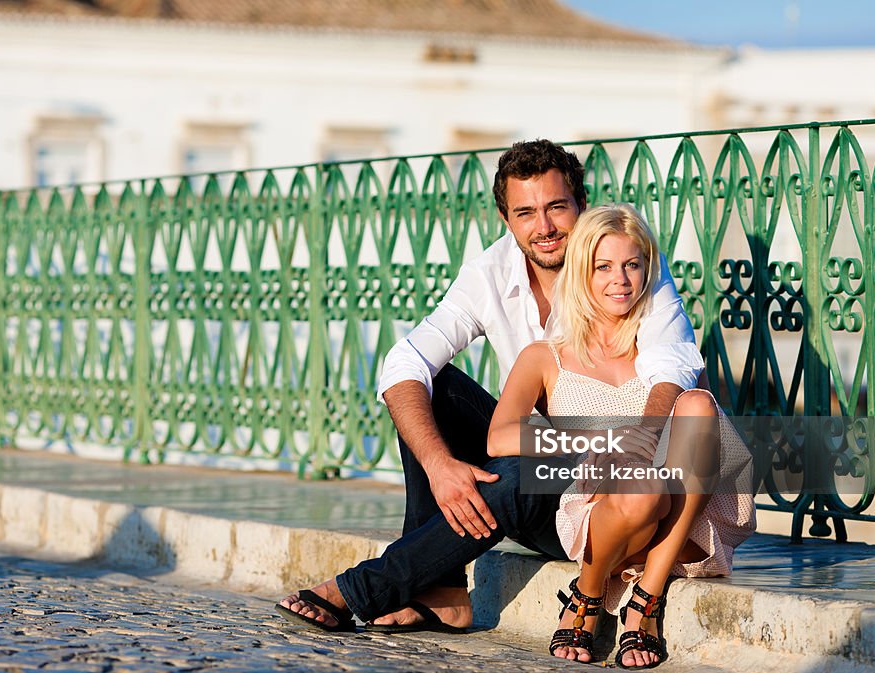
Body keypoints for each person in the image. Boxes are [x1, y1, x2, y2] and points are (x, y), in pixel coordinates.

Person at [276, 140, 703, 633]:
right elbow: (405, 361)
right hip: (530, 455)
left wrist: (638, 439)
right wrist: (440, 467)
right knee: (429, 387)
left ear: (581, 205)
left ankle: (362, 589)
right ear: (506, 219)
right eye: (526, 213)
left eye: (556, 208)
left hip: (614, 480)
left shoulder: (625, 265)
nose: (543, 227)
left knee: (518, 474)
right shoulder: (489, 273)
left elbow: (671, 363)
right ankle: (442, 591)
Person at [487, 203, 756, 669]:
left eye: (633, 265)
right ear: (580, 272)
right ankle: (590, 590)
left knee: (695, 405)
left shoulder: (663, 347)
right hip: (604, 517)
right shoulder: (544, 356)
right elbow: (499, 439)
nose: (621, 280)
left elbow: (704, 441)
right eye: (604, 266)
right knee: (641, 489)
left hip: (683, 527)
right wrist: (600, 441)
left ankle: (643, 598)